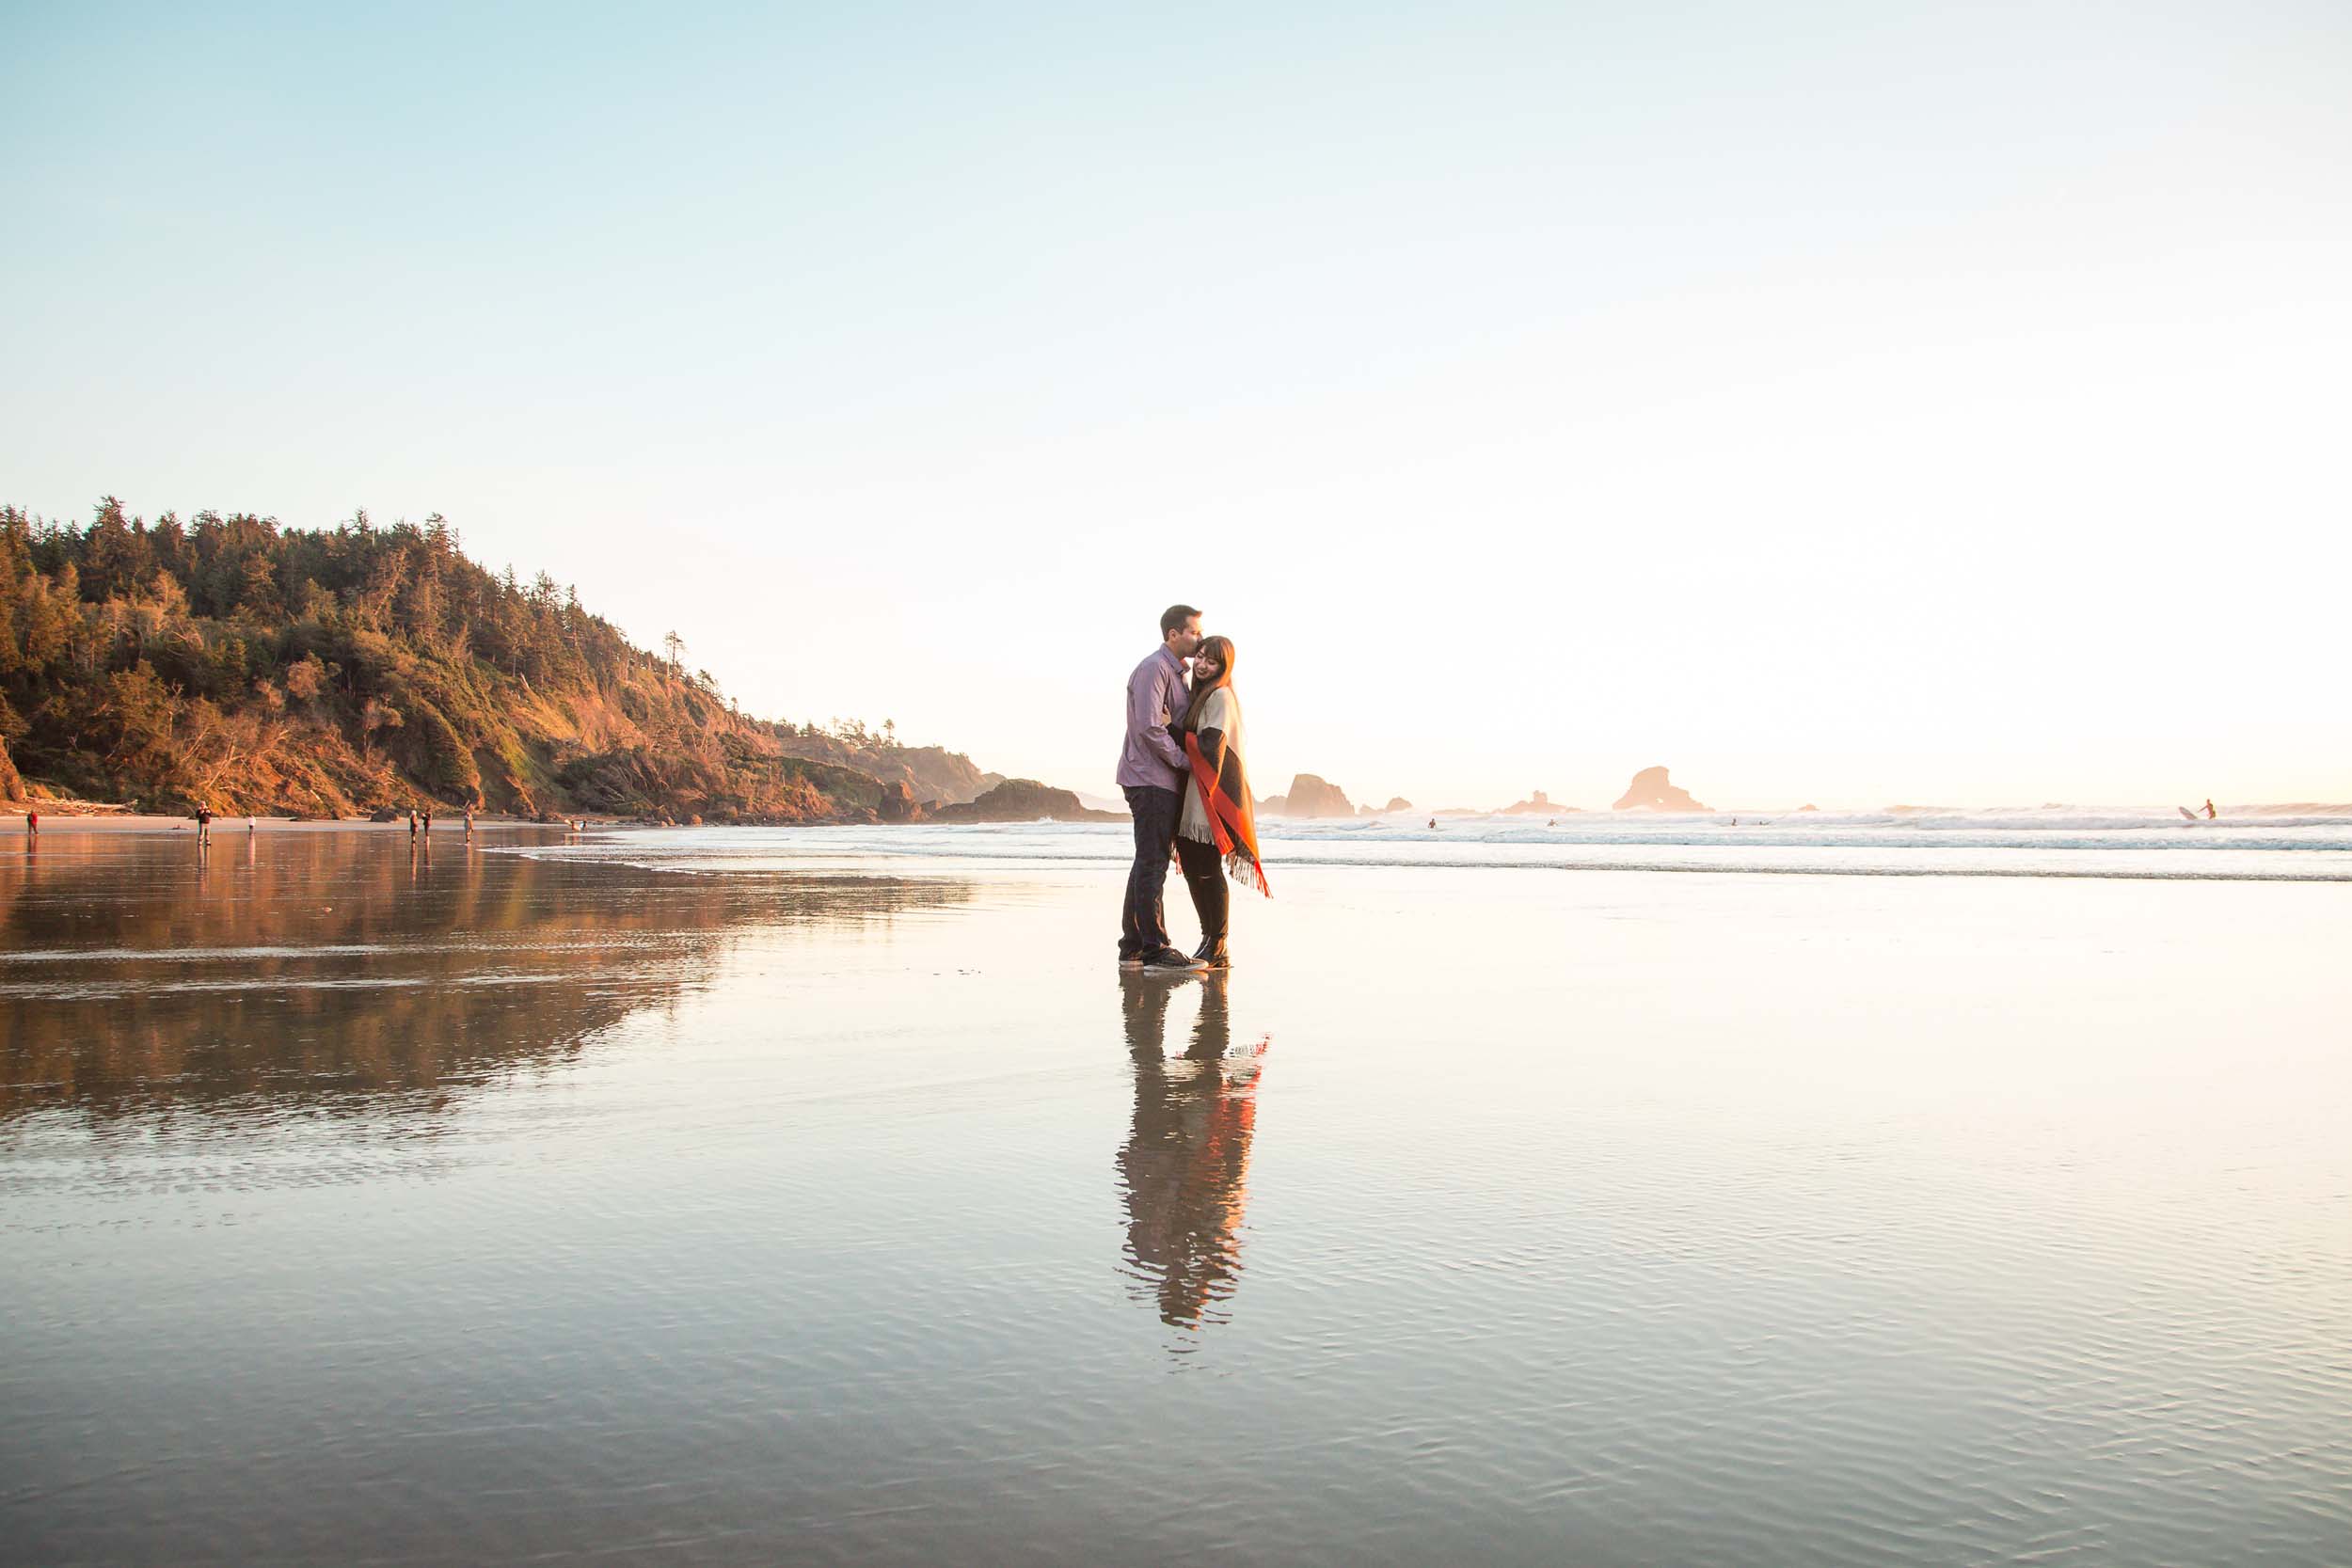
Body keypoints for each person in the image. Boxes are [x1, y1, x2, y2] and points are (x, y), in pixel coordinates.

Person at [1117, 605, 1207, 972]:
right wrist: (1187, 763)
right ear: (1173, 634)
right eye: (1194, 632)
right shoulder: (1155, 669)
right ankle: (1155, 949)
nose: (1199, 639)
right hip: (1150, 778)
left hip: (1158, 779)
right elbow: (1150, 728)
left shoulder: (1176, 674)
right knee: (1153, 863)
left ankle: (1133, 947)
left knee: (1147, 861)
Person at [1171, 635, 1268, 969]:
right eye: (1199, 657)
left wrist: (1172, 729)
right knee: (1195, 870)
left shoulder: (1222, 696)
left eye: (1211, 662)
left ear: (1223, 668)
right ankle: (1209, 939)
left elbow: (1212, 746)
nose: (1201, 665)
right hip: (1196, 799)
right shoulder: (1204, 696)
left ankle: (1218, 942)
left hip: (1211, 800)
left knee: (1208, 870)